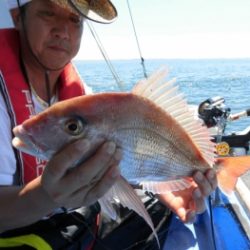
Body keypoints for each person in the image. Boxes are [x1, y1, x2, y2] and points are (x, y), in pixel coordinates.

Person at [0, 0, 217, 249]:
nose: (63, 30)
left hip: (77, 223)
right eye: (48, 13)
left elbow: (125, 154)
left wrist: (166, 187)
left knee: (161, 210)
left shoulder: (75, 90)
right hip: (26, 238)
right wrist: (46, 195)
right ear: (18, 18)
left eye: (74, 19)